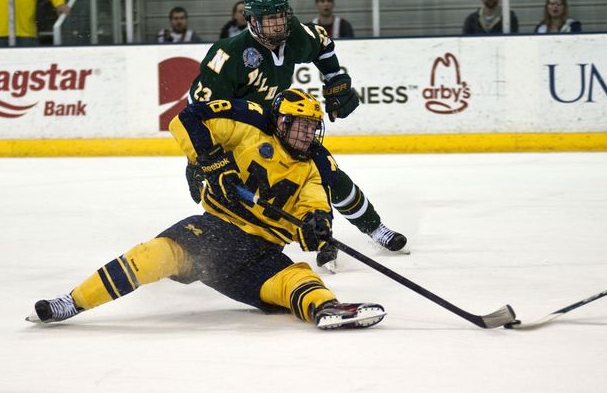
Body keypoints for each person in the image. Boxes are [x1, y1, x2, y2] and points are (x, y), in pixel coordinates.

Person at [26, 89, 386, 330]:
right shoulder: (249, 129)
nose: (309, 135)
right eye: (302, 127)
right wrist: (213, 163)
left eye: (313, 128)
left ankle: (326, 310)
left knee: (298, 278)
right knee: (152, 256)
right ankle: (71, 302)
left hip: (259, 255)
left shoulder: (311, 171)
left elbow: (316, 212)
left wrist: (315, 230)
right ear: (283, 122)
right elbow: (185, 119)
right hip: (214, 232)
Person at [188, 0, 408, 272]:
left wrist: (334, 77)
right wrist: (197, 158)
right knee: (245, 194)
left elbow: (323, 43)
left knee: (325, 169)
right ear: (252, 20)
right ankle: (212, 255)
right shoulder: (227, 55)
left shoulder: (294, 35)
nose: (279, 25)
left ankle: (374, 228)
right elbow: (198, 112)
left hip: (277, 123)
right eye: (270, 19)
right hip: (237, 135)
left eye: (281, 16)